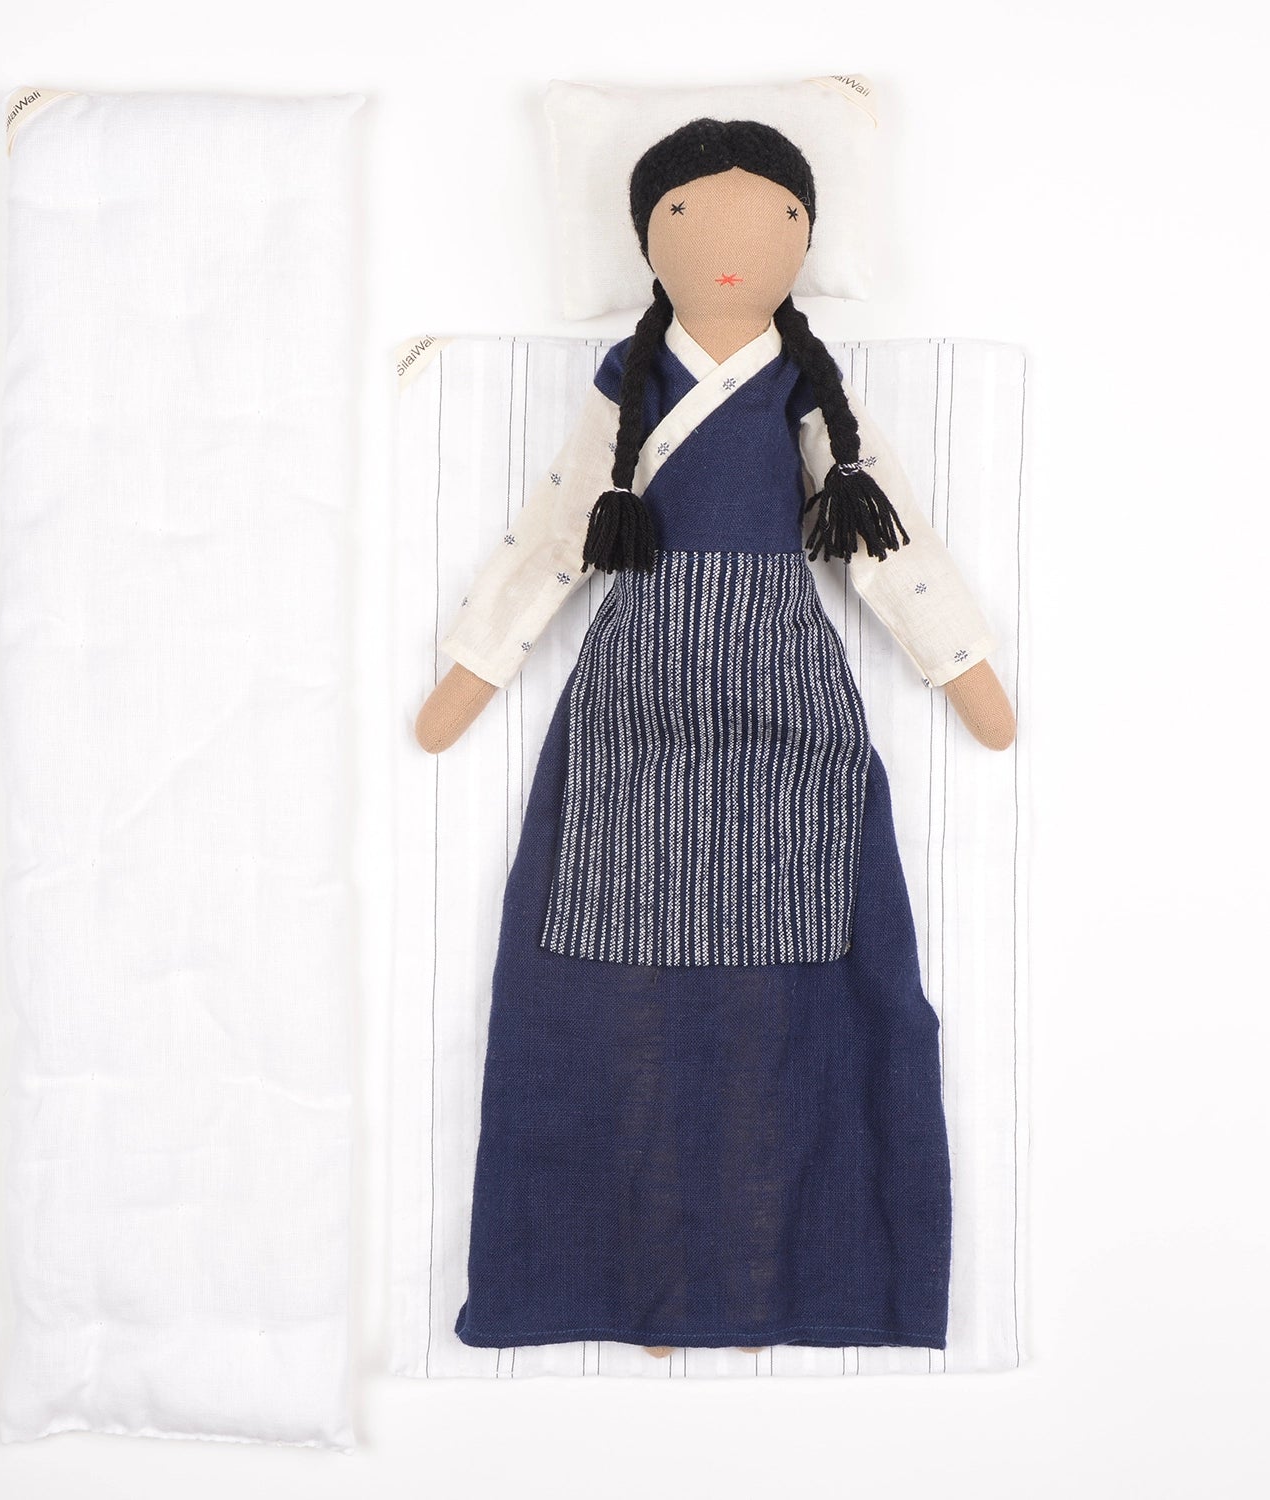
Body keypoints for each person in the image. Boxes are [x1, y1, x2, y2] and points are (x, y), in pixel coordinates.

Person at [417, 119, 1014, 1355]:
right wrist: (476, 665)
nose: (734, 243)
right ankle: (613, 1282)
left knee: (803, 1001)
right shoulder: (631, 386)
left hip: (786, 697)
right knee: (598, 1001)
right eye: (690, 216)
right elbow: (557, 529)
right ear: (651, 236)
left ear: (806, 235)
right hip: (633, 702)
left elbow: (884, 531)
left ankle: (777, 1279)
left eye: (775, 217)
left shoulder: (808, 390)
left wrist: (958, 660)